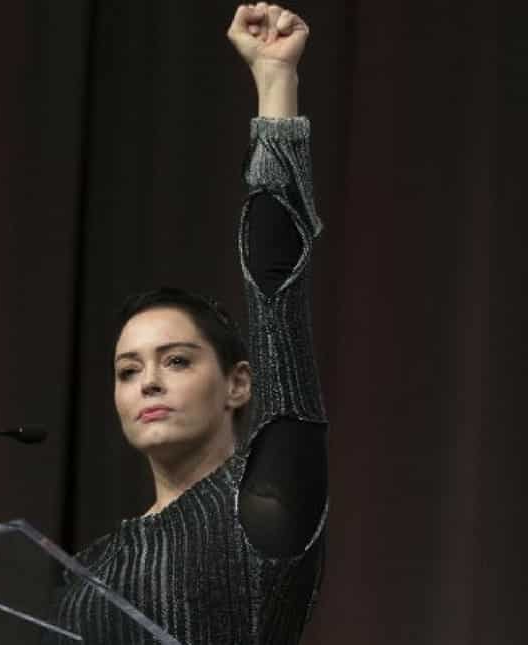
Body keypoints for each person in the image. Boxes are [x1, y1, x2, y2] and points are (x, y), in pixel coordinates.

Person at [52, 4, 330, 643]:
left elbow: (277, 296)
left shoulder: (266, 506)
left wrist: (275, 82)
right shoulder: (87, 567)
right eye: (128, 371)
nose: (148, 382)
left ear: (238, 383)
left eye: (176, 360)